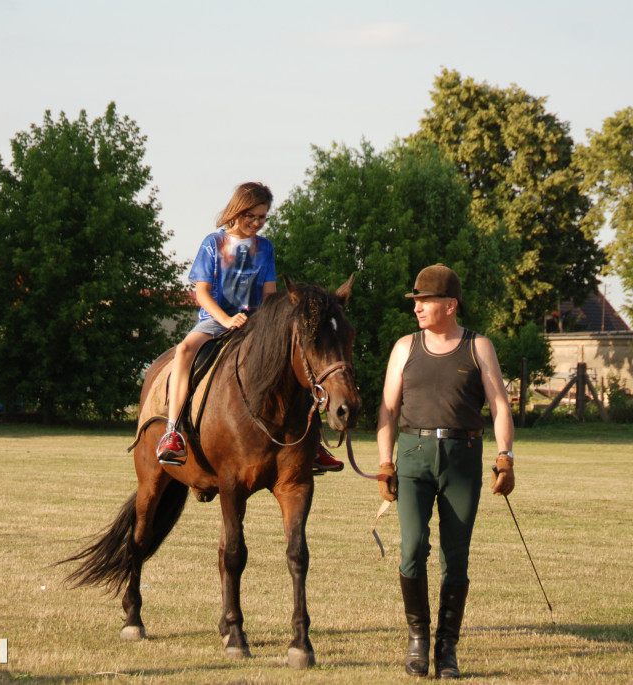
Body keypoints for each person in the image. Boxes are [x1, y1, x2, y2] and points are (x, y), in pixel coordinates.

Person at [375, 263, 515, 679]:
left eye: (424, 300)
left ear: (450, 305)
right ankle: (418, 641)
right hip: (413, 454)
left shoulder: (479, 347)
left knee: (457, 557)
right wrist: (385, 463)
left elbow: (500, 405)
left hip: (463, 457)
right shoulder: (404, 348)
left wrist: (505, 456)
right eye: (415, 301)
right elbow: (387, 409)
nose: (417, 307)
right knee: (413, 547)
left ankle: (447, 649)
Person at [157, 182, 344, 472]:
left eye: (262, 217)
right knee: (183, 351)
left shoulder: (264, 248)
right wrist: (226, 319)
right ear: (237, 210)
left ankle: (313, 443)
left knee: (297, 362)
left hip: (256, 324)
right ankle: (173, 432)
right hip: (215, 322)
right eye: (252, 216)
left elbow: (269, 294)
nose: (257, 223)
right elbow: (201, 293)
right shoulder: (212, 243)